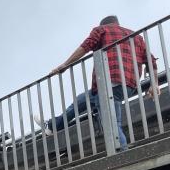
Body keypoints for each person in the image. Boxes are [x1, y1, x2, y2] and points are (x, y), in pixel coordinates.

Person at [37, 15, 157, 150]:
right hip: (128, 85)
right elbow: (151, 60)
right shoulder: (137, 37)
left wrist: (64, 65)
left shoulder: (101, 30)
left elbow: (85, 47)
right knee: (83, 100)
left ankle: (122, 153)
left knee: (111, 122)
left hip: (109, 82)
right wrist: (155, 83)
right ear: (117, 23)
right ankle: (54, 125)